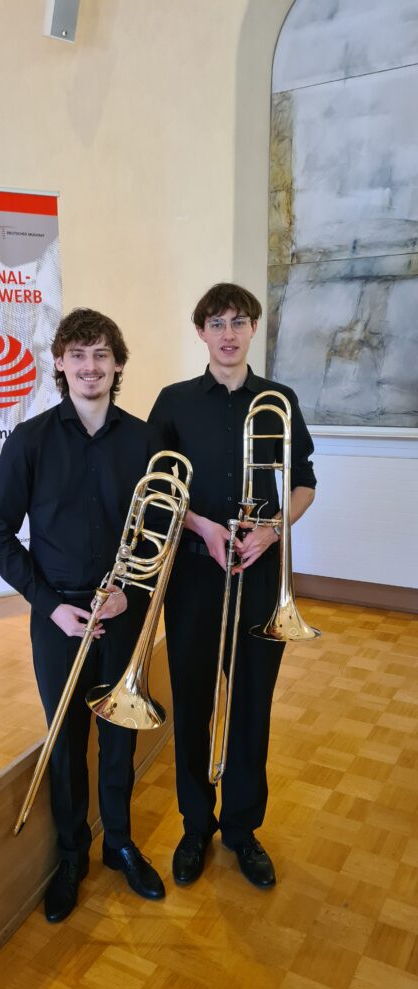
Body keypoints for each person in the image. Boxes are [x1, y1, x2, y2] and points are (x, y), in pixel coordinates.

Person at [0, 307, 165, 922]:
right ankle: (71, 856)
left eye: (102, 356)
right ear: (60, 363)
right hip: (58, 615)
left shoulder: (143, 439)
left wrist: (130, 593)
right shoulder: (29, 440)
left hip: (120, 611)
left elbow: (158, 533)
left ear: (117, 365)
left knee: (118, 737)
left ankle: (118, 842)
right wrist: (50, 606)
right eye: (79, 355)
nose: (91, 368)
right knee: (66, 742)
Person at [148, 283, 316, 890]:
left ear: (252, 329)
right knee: (192, 706)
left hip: (261, 576)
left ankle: (243, 830)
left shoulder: (279, 400)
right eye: (215, 322)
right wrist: (200, 525)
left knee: (251, 706)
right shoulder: (172, 403)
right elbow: (160, 487)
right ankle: (197, 826)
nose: (227, 332)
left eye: (237, 322)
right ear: (200, 332)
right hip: (193, 574)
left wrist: (273, 530)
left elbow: (303, 483)